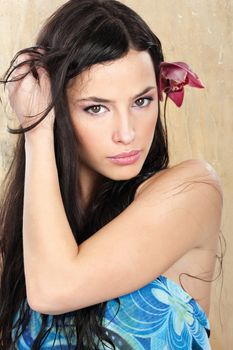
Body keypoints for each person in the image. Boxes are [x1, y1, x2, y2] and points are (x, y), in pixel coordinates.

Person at [0, 0, 223, 349]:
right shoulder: (25, 237)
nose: (127, 132)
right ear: (57, 106)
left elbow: (54, 289)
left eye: (141, 101)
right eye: (97, 108)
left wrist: (37, 130)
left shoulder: (191, 191)